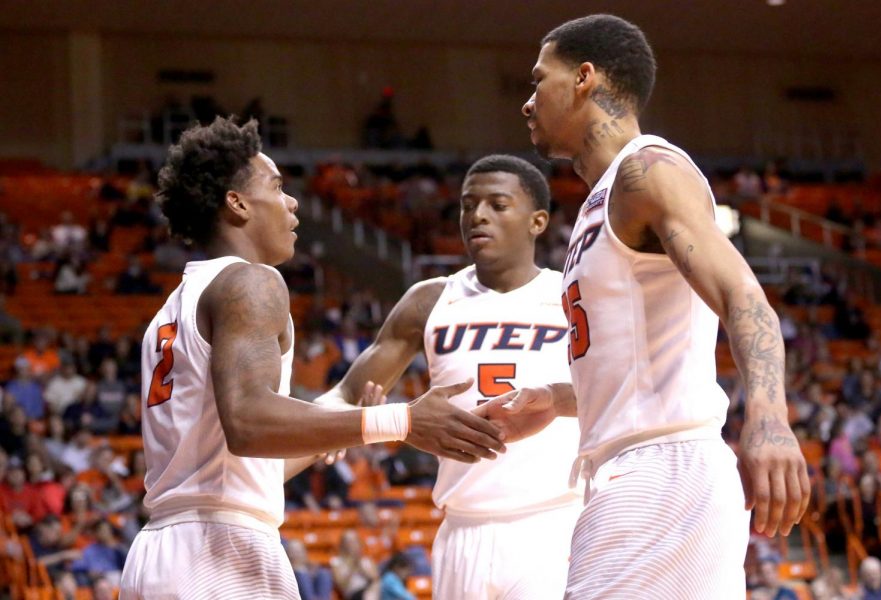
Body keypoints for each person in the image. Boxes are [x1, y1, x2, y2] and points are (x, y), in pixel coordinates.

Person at [479, 14, 809, 598]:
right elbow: (640, 360)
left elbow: (743, 295)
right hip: (639, 470)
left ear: (583, 78)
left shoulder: (647, 170)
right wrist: (555, 400)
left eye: (539, 81)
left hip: (662, 471)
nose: (528, 103)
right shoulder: (597, 204)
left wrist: (769, 416)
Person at [118, 117, 506, 599]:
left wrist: (351, 417)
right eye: (278, 187)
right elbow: (248, 423)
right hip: (218, 553)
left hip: (162, 550)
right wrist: (401, 420)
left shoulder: (172, 309)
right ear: (236, 203)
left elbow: (247, 462)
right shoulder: (250, 282)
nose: (293, 201)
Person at [318, 154, 580, 599]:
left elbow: (620, 392)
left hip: (553, 522)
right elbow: (346, 395)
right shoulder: (429, 300)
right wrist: (326, 430)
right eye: (467, 204)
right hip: (463, 528)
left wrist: (554, 398)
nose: (477, 215)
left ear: (538, 221)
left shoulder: (573, 295)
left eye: (497, 204)